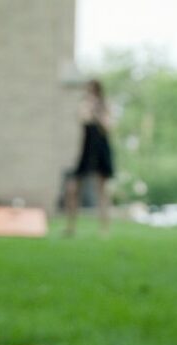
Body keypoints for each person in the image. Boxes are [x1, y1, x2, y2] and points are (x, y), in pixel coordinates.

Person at [64, 79, 115, 236]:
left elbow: (108, 127)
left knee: (102, 191)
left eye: (92, 90)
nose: (89, 93)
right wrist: (89, 107)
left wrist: (98, 112)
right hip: (86, 150)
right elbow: (83, 119)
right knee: (73, 188)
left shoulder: (105, 106)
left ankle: (104, 229)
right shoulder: (84, 105)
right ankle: (71, 228)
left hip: (101, 150)